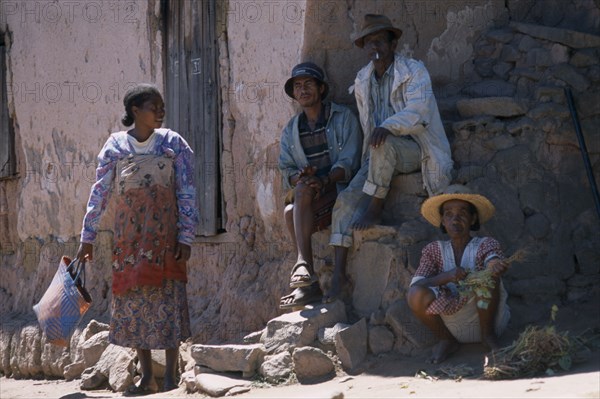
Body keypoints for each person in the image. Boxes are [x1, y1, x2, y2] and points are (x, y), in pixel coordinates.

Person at [76, 84, 198, 395]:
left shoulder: (173, 144)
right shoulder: (115, 147)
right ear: (135, 111)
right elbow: (100, 193)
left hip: (167, 238)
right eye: (153, 106)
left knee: (168, 300)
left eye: (161, 106)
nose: (160, 111)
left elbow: (186, 191)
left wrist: (185, 236)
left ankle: (170, 375)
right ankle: (147, 377)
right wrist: (87, 237)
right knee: (135, 304)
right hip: (129, 242)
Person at [325, 14, 454, 302]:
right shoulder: (363, 79)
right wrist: (378, 135)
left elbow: (419, 112)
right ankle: (338, 276)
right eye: (369, 43)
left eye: (380, 41)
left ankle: (375, 208)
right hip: (377, 153)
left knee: (385, 146)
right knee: (345, 201)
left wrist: (388, 127)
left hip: (413, 148)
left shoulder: (413, 71)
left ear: (393, 43)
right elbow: (368, 126)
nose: (375, 48)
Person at [278, 62, 362, 309]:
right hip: (313, 195)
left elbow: (350, 160)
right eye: (297, 86)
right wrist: (301, 176)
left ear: (321, 88)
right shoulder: (292, 130)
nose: (303, 90)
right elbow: (286, 170)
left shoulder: (343, 117)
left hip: (339, 189)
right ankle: (307, 276)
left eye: (308, 84)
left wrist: (325, 179)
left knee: (299, 199)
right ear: (294, 94)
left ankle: (306, 272)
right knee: (290, 207)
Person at [407, 184, 511, 364]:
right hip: (451, 326)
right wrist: (447, 276)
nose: (455, 220)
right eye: (448, 214)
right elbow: (417, 286)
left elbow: (492, 258)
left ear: (473, 219)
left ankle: (488, 337)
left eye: (463, 213)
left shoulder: (485, 244)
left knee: (486, 278)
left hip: (489, 320)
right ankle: (446, 340)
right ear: (442, 221)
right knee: (415, 294)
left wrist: (494, 265)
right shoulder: (433, 251)